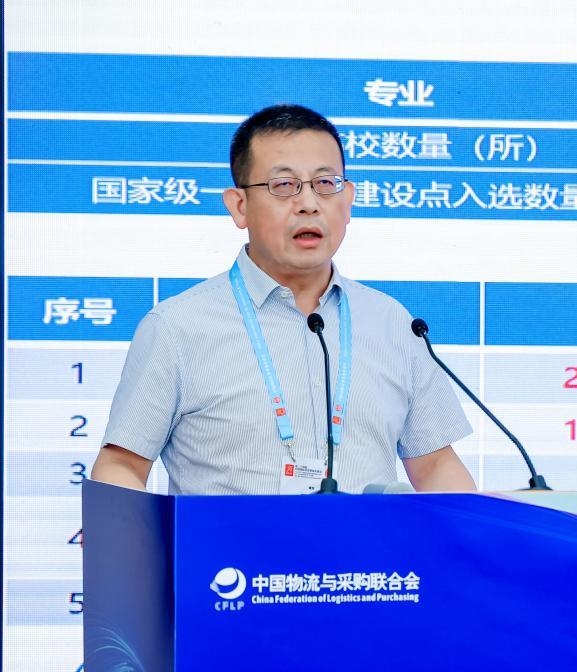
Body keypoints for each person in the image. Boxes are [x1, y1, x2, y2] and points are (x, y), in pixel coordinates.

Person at [91, 104, 475, 494]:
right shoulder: (177, 328)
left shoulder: (393, 323)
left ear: (348, 200)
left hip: (369, 539)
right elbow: (122, 464)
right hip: (228, 539)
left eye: (325, 183)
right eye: (284, 185)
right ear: (239, 206)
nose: (308, 203)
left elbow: (435, 465)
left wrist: (473, 528)